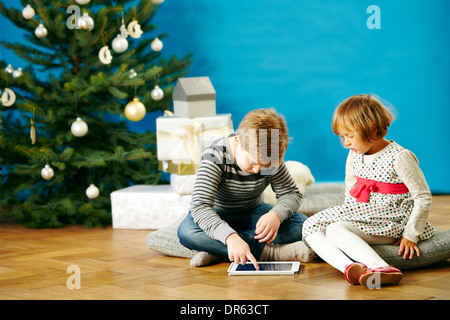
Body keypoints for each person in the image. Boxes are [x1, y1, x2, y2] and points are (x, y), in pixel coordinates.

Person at [302, 94, 435, 288]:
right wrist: (347, 215)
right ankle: (351, 268)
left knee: (322, 226)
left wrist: (410, 235)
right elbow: (351, 189)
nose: (346, 142)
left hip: (392, 220)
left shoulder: (400, 157)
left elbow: (423, 197)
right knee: (320, 228)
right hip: (367, 216)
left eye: (350, 135)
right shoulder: (354, 154)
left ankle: (380, 266)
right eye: (342, 137)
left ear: (372, 128)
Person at [178, 108, 315, 268]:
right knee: (186, 232)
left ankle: (219, 250)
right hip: (217, 214)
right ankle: (270, 253)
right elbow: (201, 207)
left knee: (305, 226)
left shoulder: (269, 156)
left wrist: (276, 215)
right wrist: (230, 237)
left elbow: (291, 193)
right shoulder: (214, 155)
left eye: (265, 165)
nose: (258, 170)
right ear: (237, 142)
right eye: (253, 162)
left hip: (253, 213)